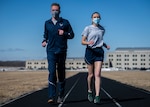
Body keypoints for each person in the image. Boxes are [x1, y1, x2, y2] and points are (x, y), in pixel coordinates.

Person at [42, 3, 74, 104]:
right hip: (51, 51)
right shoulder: (47, 23)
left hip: (61, 51)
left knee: (61, 74)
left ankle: (61, 94)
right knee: (51, 72)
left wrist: (63, 33)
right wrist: (44, 41)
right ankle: (51, 96)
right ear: (50, 11)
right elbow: (45, 35)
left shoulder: (65, 22)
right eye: (53, 10)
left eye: (56, 10)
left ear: (59, 11)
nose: (54, 12)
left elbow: (72, 35)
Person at [81, 12, 110, 104]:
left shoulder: (102, 29)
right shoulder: (88, 28)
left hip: (99, 52)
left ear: (100, 18)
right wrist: (88, 43)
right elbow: (82, 41)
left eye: (98, 17)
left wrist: (105, 45)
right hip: (90, 52)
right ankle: (90, 91)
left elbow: (100, 41)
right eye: (94, 17)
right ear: (91, 18)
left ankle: (97, 96)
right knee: (91, 75)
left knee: (97, 74)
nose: (96, 18)